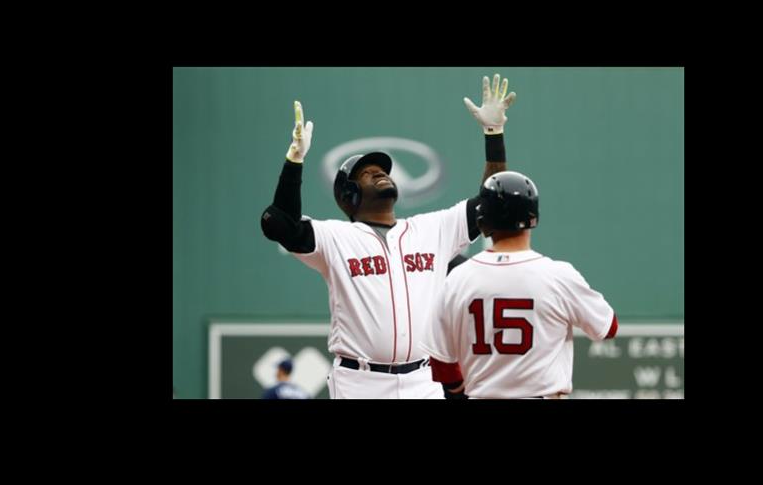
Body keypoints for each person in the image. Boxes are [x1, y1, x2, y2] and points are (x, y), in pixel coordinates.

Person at [261, 74, 517, 398]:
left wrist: (493, 135)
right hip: (360, 381)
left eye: (382, 170)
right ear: (349, 196)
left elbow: (492, 202)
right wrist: (294, 162)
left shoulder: (431, 229)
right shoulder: (335, 237)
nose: (380, 173)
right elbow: (279, 224)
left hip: (424, 381)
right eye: (367, 174)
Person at [423, 171, 618, 399]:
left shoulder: (458, 278)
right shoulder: (559, 276)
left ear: (483, 223)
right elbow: (608, 328)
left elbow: (442, 364)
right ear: (533, 217)